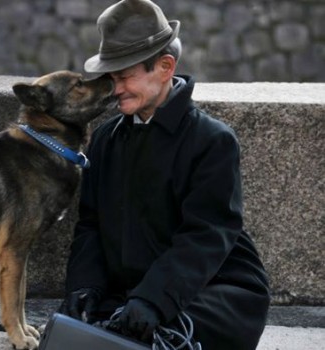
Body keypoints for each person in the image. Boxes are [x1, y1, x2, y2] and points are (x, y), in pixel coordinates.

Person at [58, 0, 271, 349]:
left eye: (125, 76)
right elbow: (91, 224)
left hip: (212, 289)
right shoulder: (106, 140)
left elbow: (207, 234)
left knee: (161, 330)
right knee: (83, 330)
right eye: (112, 78)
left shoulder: (212, 140)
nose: (116, 88)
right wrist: (85, 287)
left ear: (165, 67)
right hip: (132, 292)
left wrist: (155, 300)